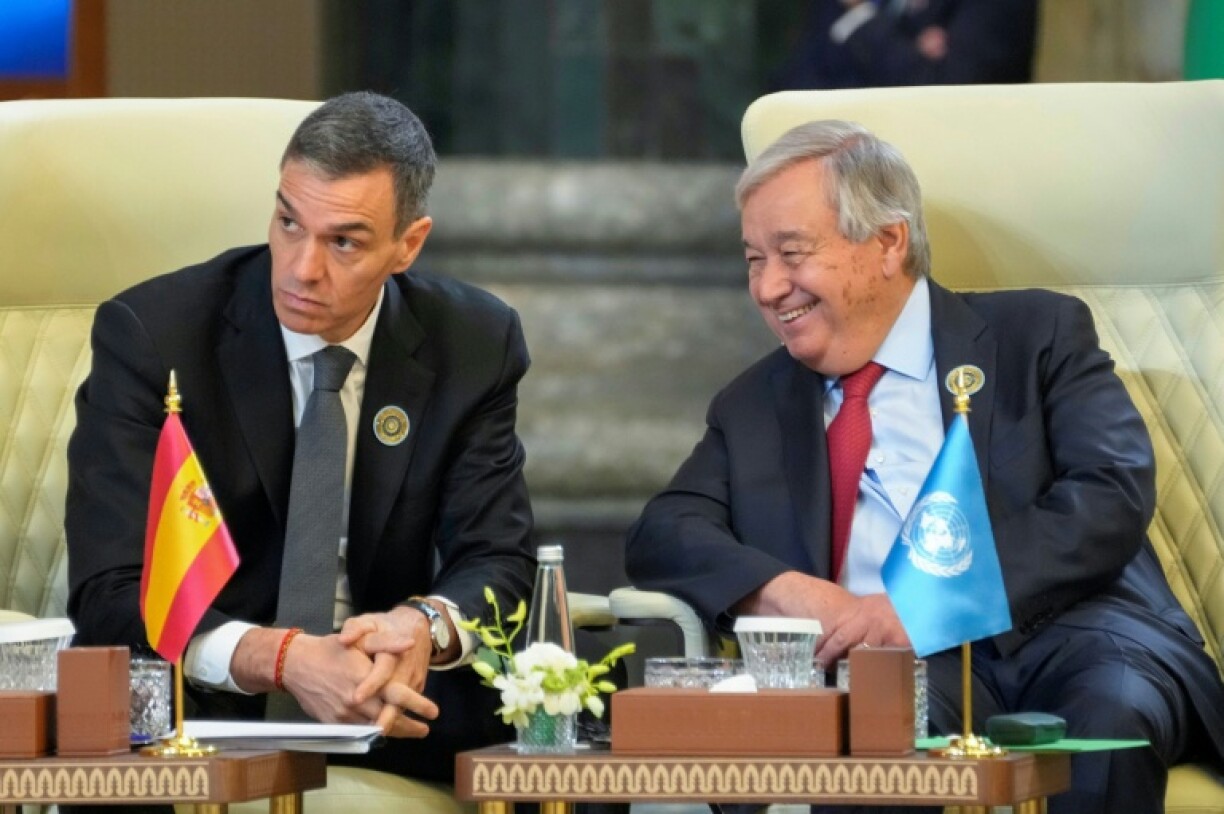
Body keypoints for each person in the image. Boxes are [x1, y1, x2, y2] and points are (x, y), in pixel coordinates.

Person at [625, 120, 1224, 814]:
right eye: (755, 259)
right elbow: (664, 531)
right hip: (896, 674)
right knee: (868, 740)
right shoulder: (752, 405)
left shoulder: (1037, 335)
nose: (767, 288)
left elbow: (1109, 493)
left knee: (1111, 713)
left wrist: (926, 604)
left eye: (791, 253)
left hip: (1080, 637)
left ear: (887, 243)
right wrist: (786, 592)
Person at [65, 91, 534, 785]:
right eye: (289, 222)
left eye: (343, 241)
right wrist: (278, 657)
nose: (301, 268)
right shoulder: (154, 335)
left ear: (409, 244)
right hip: (204, 717)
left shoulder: (472, 343)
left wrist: (423, 629)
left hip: (393, 710)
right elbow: (110, 589)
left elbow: (498, 559)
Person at [772, 0, 1039, 90]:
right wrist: (910, 50)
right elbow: (801, 78)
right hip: (841, 156)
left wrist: (864, 15)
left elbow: (947, 89)